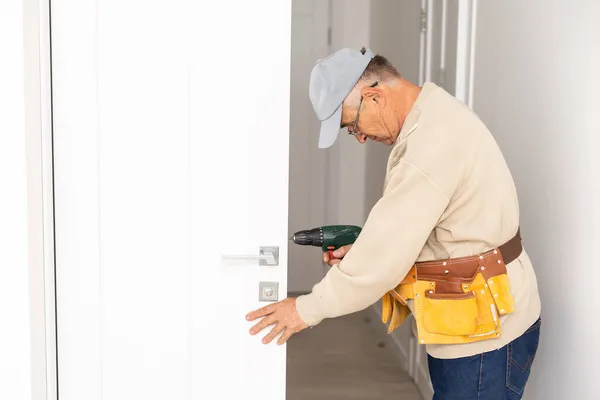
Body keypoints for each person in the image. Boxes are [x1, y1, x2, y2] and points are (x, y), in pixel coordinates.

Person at [246, 47, 542, 399]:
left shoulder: (429, 146)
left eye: (351, 125)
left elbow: (381, 263)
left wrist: (304, 309)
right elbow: (441, 230)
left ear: (374, 96)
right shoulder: (435, 113)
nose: (358, 137)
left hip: (484, 339)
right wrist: (366, 249)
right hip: (480, 322)